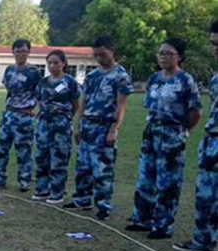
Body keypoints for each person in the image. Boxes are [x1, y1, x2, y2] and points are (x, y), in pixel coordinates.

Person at [125, 38, 202, 239]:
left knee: (168, 182)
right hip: (152, 131)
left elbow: (196, 112)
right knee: (146, 177)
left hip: (172, 133)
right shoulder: (154, 79)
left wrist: (184, 131)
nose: (164, 57)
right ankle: (143, 218)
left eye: (169, 53)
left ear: (180, 56)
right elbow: (149, 105)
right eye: (161, 53)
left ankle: (163, 224)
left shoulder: (185, 80)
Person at [63, 36, 134, 220]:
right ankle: (82, 199)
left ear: (112, 49)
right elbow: (84, 102)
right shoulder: (93, 76)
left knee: (103, 168)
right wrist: (78, 126)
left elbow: (122, 105)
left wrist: (114, 128)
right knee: (83, 165)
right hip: (88, 124)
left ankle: (103, 204)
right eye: (96, 55)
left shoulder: (121, 76)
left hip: (105, 125)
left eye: (102, 54)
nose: (99, 58)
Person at [173, 20, 218, 251]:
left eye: (217, 44)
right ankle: (204, 241)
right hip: (212, 141)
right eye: (212, 44)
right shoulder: (215, 77)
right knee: (205, 195)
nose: (214, 49)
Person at [0, 39, 42, 192]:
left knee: (24, 151)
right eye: (18, 51)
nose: (20, 54)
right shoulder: (9, 70)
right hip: (9, 114)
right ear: (12, 52)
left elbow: (39, 94)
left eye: (24, 51)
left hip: (25, 116)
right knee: (2, 149)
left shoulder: (34, 72)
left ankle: (24, 181)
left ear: (29, 52)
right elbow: (9, 89)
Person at [32, 50, 81, 204]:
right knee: (41, 156)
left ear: (63, 64)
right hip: (44, 123)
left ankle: (57, 192)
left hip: (61, 124)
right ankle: (42, 189)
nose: (53, 66)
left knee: (59, 157)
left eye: (56, 63)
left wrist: (65, 118)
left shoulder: (70, 82)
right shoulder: (43, 82)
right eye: (50, 63)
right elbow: (40, 102)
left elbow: (76, 105)